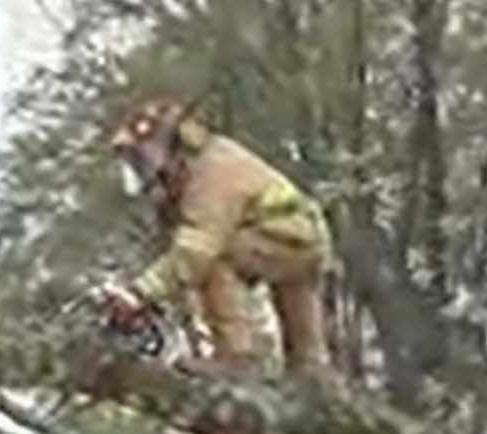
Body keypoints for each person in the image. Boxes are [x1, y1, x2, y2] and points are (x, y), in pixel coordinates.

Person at [102, 98, 333, 373]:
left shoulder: (212, 170)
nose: (140, 169)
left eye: (139, 158)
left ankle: (236, 359)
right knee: (307, 359)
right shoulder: (185, 179)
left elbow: (196, 251)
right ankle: (315, 386)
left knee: (215, 258)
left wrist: (140, 292)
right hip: (298, 239)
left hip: (288, 238)